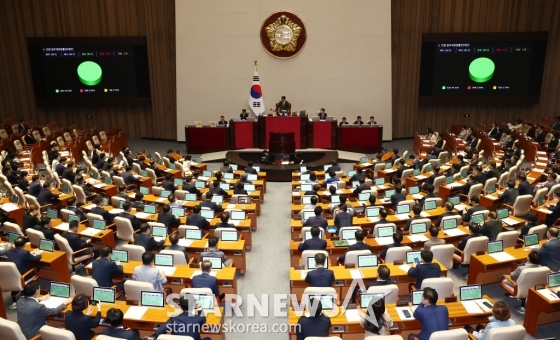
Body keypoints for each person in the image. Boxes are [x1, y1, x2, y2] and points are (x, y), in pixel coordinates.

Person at [7, 237, 42, 308]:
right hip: (23, 277)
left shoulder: (11, 251)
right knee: (37, 267)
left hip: (11, 277)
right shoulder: (25, 253)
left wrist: (30, 254)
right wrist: (38, 254)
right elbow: (35, 259)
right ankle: (33, 289)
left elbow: (21, 256)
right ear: (24, 244)